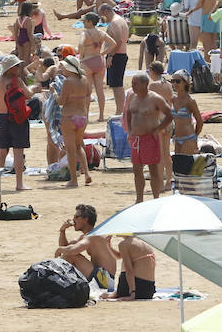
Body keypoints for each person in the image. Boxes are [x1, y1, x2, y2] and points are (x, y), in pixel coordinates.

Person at [123, 72, 172, 203]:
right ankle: (139, 199)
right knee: (137, 170)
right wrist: (130, 130)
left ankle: (156, 199)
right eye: (132, 83)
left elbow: (169, 114)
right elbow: (128, 112)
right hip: (136, 139)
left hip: (150, 138)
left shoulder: (155, 99)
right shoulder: (132, 96)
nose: (132, 86)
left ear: (145, 84)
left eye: (135, 83)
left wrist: (159, 128)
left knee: (153, 170)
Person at [0, 55, 33, 193]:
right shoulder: (17, 81)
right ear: (11, 68)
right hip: (17, 118)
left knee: (2, 150)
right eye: (16, 66)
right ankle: (19, 183)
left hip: (2, 117)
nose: (18, 68)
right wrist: (35, 88)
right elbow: (29, 95)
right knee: (18, 152)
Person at [56, 204, 118, 291]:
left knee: (71, 255)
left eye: (76, 216)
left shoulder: (93, 236)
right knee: (68, 253)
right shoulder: (87, 236)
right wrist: (62, 231)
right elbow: (66, 247)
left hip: (105, 279)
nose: (73, 219)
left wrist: (59, 250)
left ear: (86, 219)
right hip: (102, 277)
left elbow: (72, 251)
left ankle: (57, 284)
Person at [56, 56, 93, 187]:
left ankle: (73, 180)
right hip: (82, 116)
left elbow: (61, 101)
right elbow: (89, 93)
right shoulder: (84, 79)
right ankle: (87, 174)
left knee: (70, 150)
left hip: (69, 117)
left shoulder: (68, 81)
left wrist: (54, 94)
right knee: (78, 146)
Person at [100, 236, 159, 301]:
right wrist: (109, 246)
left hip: (137, 291)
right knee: (129, 263)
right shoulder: (144, 243)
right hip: (148, 291)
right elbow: (119, 256)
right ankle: (118, 293)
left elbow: (129, 270)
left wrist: (133, 294)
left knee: (125, 266)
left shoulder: (124, 244)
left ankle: (120, 293)